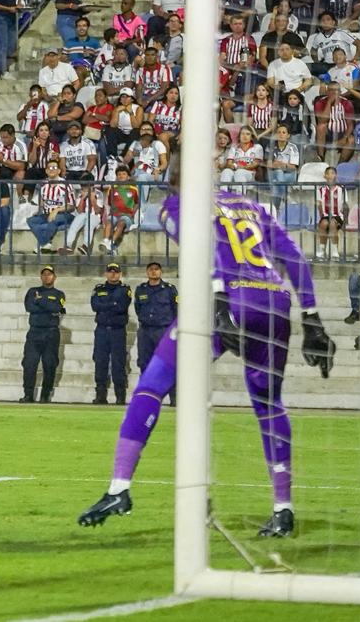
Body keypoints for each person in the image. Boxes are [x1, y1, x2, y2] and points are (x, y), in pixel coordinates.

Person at [79, 186, 335, 539]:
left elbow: (203, 245)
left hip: (227, 299)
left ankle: (119, 488)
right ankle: (283, 509)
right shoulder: (250, 205)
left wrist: (217, 296)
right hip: (275, 304)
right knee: (269, 405)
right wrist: (312, 316)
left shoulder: (178, 202)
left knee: (153, 384)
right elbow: (293, 259)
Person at [21, 265, 64, 404]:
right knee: (29, 364)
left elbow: (57, 307)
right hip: (35, 332)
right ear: (41, 277)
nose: (47, 276)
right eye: (44, 274)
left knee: (50, 364)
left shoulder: (59, 294)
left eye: (49, 274)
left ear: (54, 277)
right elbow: (29, 307)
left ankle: (45, 395)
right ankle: (28, 395)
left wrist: (40, 301)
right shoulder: (32, 291)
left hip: (51, 333)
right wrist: (47, 307)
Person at [90, 263, 132, 405]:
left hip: (117, 331)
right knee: (100, 362)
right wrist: (112, 304)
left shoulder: (125, 289)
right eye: (110, 271)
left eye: (116, 271)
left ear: (120, 274)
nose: (113, 274)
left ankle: (120, 396)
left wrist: (105, 305)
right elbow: (95, 306)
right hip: (102, 330)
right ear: (106, 273)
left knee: (118, 364)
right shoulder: (98, 289)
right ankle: (100, 395)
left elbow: (122, 306)